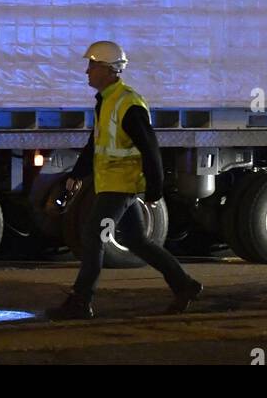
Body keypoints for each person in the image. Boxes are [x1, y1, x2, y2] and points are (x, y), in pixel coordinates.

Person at [46, 41, 203, 320]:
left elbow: (150, 148)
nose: (87, 71)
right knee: (136, 240)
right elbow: (94, 146)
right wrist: (75, 177)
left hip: (121, 186)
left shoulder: (128, 103)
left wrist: (155, 189)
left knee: (91, 236)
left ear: (108, 70)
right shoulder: (107, 101)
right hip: (113, 184)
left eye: (92, 66)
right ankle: (184, 285)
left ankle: (81, 301)